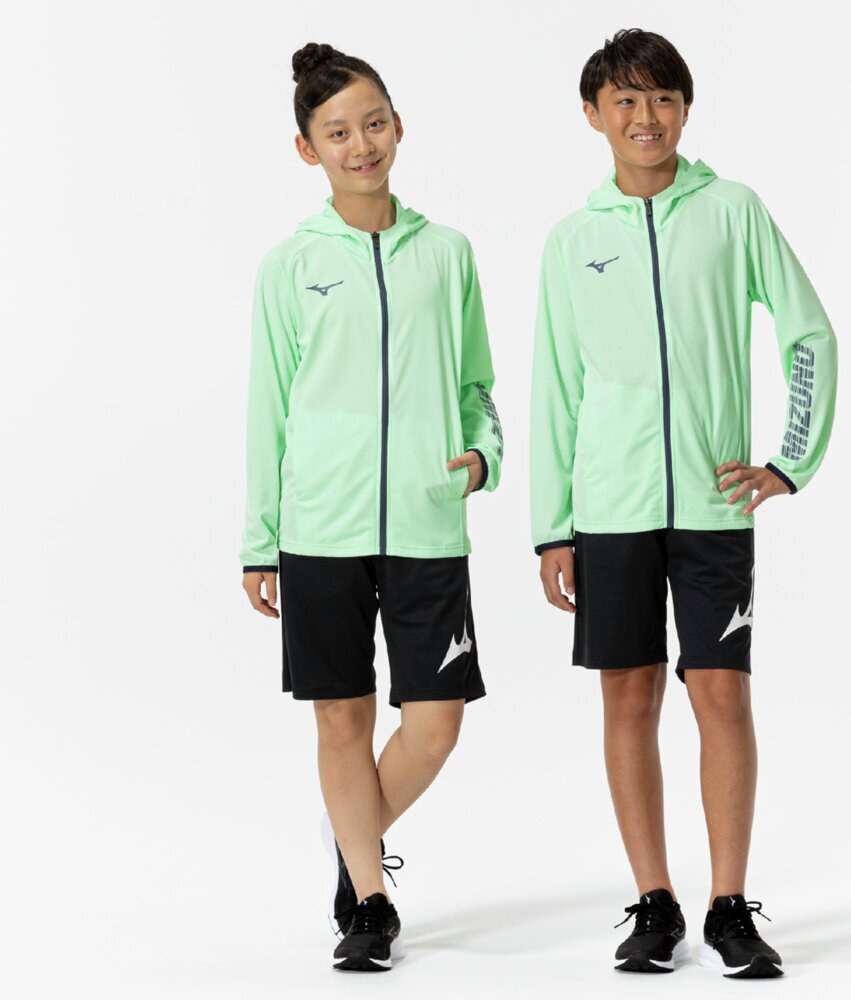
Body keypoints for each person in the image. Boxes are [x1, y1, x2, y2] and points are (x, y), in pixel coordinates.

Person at [530, 28, 837, 979]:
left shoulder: (732, 211)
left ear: (685, 108)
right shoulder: (574, 240)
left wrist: (789, 460)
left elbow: (808, 332)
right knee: (629, 697)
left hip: (712, 506)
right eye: (624, 101)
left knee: (721, 693)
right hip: (610, 511)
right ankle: (655, 901)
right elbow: (555, 388)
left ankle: (728, 905)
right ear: (593, 115)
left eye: (661, 98)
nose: (645, 117)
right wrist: (551, 527)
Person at [239, 42, 503, 973]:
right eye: (339, 133)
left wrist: (483, 457)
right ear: (307, 149)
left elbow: (477, 386)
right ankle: (370, 903)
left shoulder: (448, 253)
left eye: (374, 124)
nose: (362, 145)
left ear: (398, 126)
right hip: (321, 528)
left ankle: (351, 837)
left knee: (436, 722)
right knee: (341, 721)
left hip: (429, 521)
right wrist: (260, 541)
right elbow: (268, 408)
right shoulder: (290, 266)